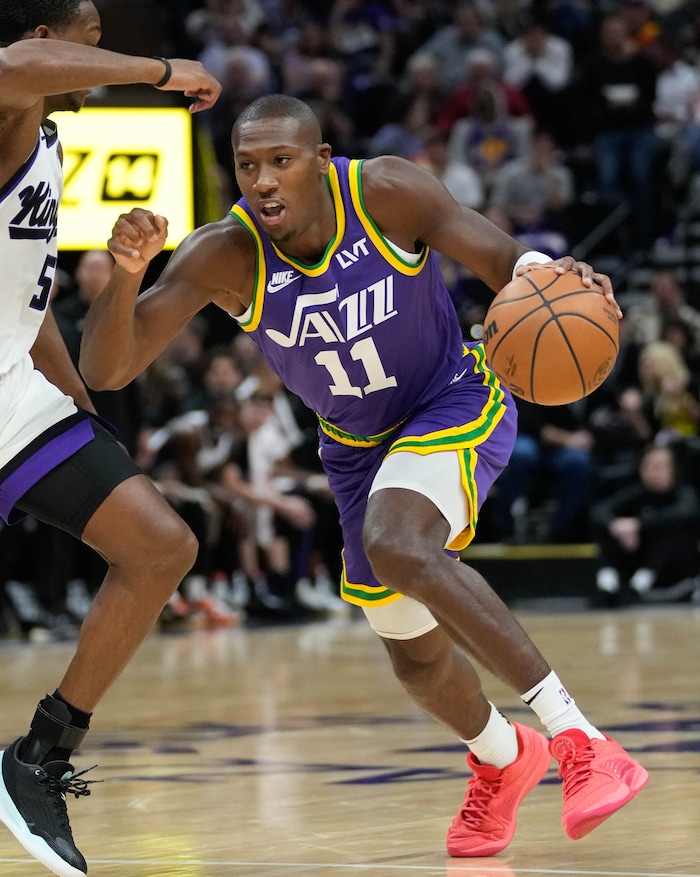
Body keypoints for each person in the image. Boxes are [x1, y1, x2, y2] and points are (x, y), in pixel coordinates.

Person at [80, 93, 648, 862]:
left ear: (320, 161)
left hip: (450, 397)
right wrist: (123, 275)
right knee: (411, 653)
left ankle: (581, 738)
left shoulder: (383, 191)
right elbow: (107, 366)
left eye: (281, 161)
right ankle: (504, 757)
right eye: (248, 166)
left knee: (397, 543)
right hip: (354, 448)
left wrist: (554, 272)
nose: (264, 181)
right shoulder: (225, 252)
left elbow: (500, 257)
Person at [0, 3, 221, 876]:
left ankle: (38, 756)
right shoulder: (12, 95)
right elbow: (10, 64)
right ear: (48, 37)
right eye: (88, 34)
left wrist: (78, 403)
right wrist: (162, 71)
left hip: (14, 394)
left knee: (161, 545)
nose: (98, 49)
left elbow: (27, 297)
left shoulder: (48, 139)